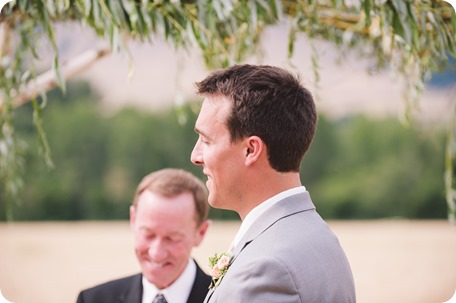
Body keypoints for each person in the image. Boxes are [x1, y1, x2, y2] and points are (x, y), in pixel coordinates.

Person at [190, 64, 356, 303]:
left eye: (206, 140)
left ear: (251, 149)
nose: (195, 156)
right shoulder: (318, 236)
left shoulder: (266, 269)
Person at [76, 168, 212, 303]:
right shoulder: (93, 299)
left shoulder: (227, 298)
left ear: (201, 232)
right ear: (133, 220)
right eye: (148, 234)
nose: (157, 254)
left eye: (172, 238)